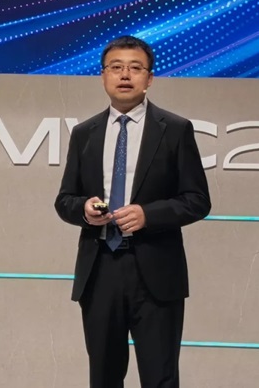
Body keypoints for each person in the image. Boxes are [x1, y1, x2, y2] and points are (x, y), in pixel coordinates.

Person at [54, 35, 211, 388]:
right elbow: (64, 200)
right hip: (100, 270)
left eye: (135, 68)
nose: (125, 75)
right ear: (103, 75)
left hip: (156, 272)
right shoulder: (84, 133)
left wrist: (148, 215)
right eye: (116, 67)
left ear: (149, 78)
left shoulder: (175, 129)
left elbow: (197, 199)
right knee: (104, 377)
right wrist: (85, 210)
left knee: (160, 378)